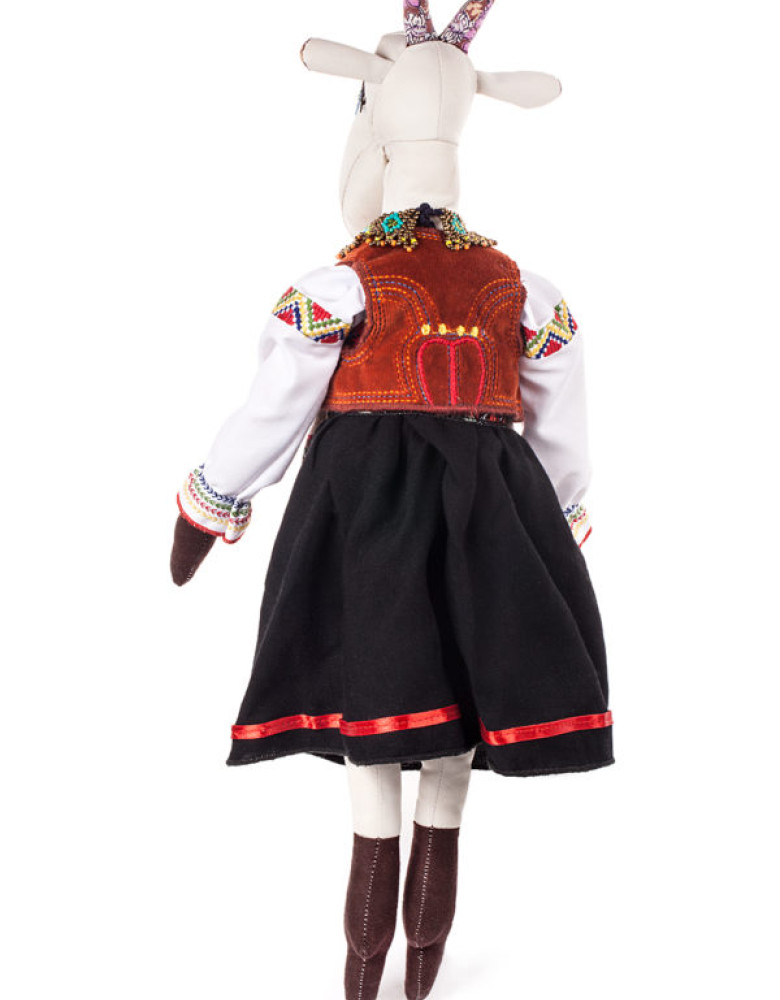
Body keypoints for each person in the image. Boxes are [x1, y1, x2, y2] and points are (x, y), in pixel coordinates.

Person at [170, 5, 613, 999]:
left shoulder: (341, 285)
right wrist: (559, 521)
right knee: (448, 743)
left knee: (376, 714)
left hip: (366, 514)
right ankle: (414, 964)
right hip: (488, 515)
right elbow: (563, 420)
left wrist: (211, 499)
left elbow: (276, 405)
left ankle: (368, 966)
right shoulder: (524, 289)